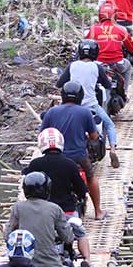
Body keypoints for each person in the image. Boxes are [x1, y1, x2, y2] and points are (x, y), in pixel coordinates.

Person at [24, 128, 96, 267]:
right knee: (81, 233)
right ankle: (88, 262)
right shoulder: (70, 164)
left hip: (39, 213)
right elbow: (82, 190)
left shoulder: (36, 163)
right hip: (67, 213)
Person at [86, 4, 133, 168]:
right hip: (117, 64)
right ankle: (124, 92)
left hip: (99, 64)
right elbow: (131, 46)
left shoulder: (94, 30)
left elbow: (85, 45)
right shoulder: (119, 30)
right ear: (114, 16)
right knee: (128, 67)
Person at [40, 81, 104, 220]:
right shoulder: (85, 112)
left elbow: (43, 133)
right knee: (91, 177)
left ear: (62, 95)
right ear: (80, 96)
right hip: (79, 156)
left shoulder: (52, 112)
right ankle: (98, 212)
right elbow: (94, 136)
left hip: (55, 155)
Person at [56, 40, 116, 168]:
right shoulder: (97, 67)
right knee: (110, 124)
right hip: (92, 105)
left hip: (71, 106)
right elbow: (107, 85)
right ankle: (112, 150)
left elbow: (59, 83)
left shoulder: (72, 66)